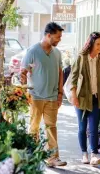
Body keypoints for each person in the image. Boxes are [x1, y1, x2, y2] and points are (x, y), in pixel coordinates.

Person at [20, 22, 67, 167]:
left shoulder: (57, 53)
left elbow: (60, 73)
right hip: (35, 97)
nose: (59, 39)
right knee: (33, 127)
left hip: (52, 97)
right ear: (48, 35)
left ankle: (53, 158)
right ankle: (32, 155)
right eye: (57, 37)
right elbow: (23, 71)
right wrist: (23, 82)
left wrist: (60, 93)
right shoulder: (33, 51)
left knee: (51, 127)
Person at [70, 32, 100, 165]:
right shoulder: (81, 58)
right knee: (82, 128)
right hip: (81, 98)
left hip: (96, 99)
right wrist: (74, 96)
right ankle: (84, 153)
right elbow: (73, 79)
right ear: (91, 43)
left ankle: (94, 154)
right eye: (98, 44)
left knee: (94, 128)